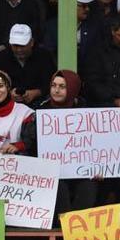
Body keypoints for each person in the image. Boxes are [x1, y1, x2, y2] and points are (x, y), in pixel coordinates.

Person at [34, 70, 98, 224]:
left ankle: (78, 233)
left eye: (62, 86)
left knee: (89, 187)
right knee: (59, 188)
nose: (56, 90)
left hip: (80, 172)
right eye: (53, 85)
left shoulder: (86, 112)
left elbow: (95, 147)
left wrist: (99, 167)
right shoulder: (41, 112)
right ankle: (61, 237)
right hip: (52, 174)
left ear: (73, 89)